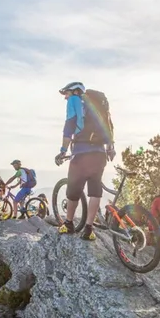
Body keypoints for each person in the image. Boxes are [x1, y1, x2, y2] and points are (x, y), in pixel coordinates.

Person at [54, 82, 115, 241]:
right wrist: (110, 147)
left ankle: (68, 224)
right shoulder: (98, 106)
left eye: (66, 94)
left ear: (75, 91)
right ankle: (89, 229)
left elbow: (69, 127)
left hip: (81, 153)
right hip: (100, 154)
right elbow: (109, 127)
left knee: (73, 190)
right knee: (95, 190)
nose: (65, 97)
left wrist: (62, 151)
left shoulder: (74, 101)